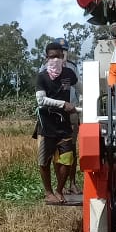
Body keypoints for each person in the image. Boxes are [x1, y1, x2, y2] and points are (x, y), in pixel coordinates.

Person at [35, 41, 77, 205]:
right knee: (44, 161)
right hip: (46, 125)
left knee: (67, 158)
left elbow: (80, 87)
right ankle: (48, 192)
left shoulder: (68, 74)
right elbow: (40, 99)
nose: (56, 59)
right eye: (52, 57)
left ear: (63, 57)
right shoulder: (42, 76)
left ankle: (59, 190)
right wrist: (62, 104)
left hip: (65, 125)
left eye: (59, 56)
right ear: (46, 58)